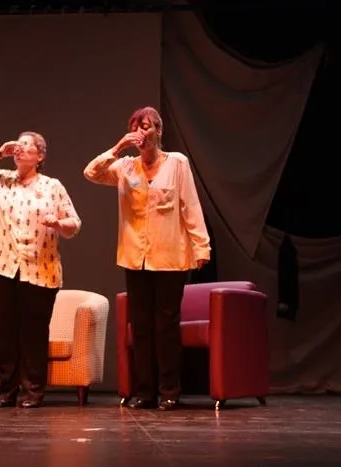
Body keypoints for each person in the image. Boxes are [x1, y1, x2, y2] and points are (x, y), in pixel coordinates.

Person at [83, 106, 210, 411]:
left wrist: (201, 247)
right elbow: (91, 173)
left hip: (169, 256)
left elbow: (190, 205)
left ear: (158, 131)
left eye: (147, 126)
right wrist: (117, 148)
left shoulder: (176, 163)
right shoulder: (125, 167)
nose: (141, 132)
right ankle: (145, 392)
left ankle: (169, 391)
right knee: (140, 326)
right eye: (136, 127)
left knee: (166, 326)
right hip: (135, 257)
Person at [0, 131, 81, 408]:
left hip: (40, 269)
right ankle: (7, 389)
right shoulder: (1, 179)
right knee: (4, 330)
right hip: (0, 265)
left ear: (40, 156)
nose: (20, 148)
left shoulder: (52, 186)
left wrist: (58, 224)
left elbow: (74, 224)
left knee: (33, 331)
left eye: (28, 145)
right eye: (19, 144)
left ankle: (33, 391)